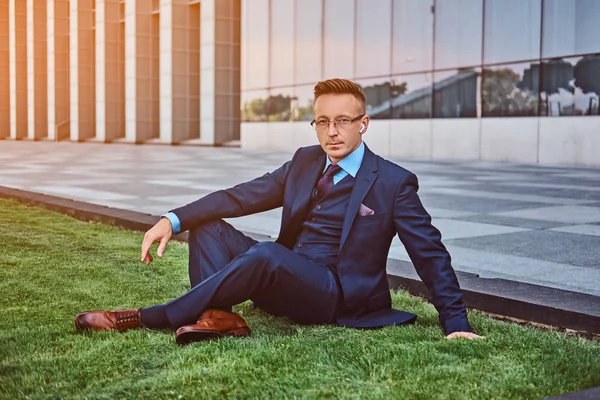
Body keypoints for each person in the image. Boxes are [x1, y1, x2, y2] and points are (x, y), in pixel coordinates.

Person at [75, 78, 482, 344]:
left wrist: (456, 322)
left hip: (333, 294)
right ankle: (218, 317)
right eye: (322, 122)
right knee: (208, 226)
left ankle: (148, 316)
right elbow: (240, 197)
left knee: (266, 254)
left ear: (364, 124)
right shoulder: (305, 161)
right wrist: (172, 219)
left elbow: (428, 252)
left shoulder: (393, 182)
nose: (332, 132)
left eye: (342, 121)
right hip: (285, 278)